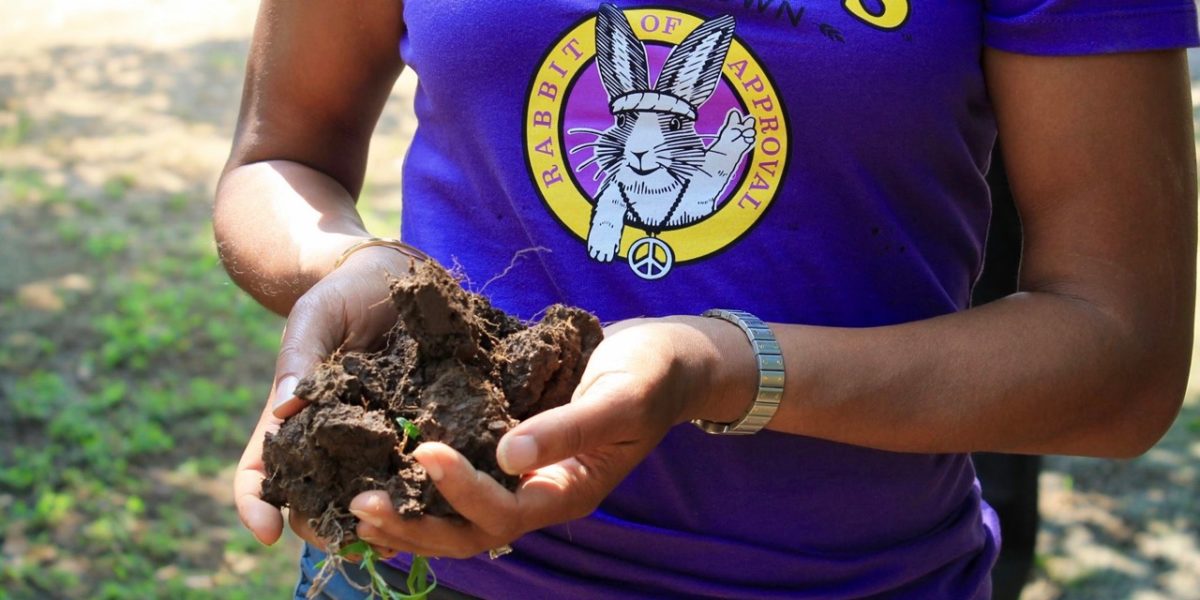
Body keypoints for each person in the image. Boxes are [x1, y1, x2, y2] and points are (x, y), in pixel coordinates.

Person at [215, 1, 1199, 598]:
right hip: (409, 567)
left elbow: (1120, 350)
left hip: (847, 587)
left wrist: (724, 366)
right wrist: (353, 267)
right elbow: (280, 157)